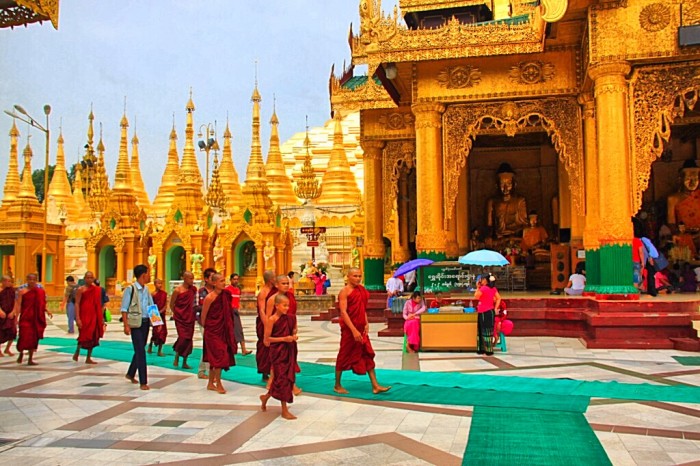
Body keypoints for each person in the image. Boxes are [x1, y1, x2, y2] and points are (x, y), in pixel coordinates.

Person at [334, 267, 391, 395]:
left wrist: (366, 322)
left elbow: (362, 308)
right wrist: (353, 330)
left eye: (360, 276)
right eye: (355, 276)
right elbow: (343, 312)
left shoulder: (361, 290)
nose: (358, 278)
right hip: (350, 330)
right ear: (348, 276)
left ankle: (375, 385)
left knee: (367, 353)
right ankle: (337, 385)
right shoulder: (344, 292)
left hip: (361, 328)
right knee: (344, 354)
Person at [260, 293, 298, 420]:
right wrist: (284, 338)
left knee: (284, 378)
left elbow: (294, 330)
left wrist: (293, 335)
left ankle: (266, 397)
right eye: (284, 305)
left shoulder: (291, 318)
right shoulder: (272, 320)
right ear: (277, 306)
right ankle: (284, 409)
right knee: (282, 379)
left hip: (289, 350)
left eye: (288, 305)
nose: (287, 308)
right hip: (277, 352)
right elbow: (267, 339)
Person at [265, 275, 302, 395]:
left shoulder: (290, 297)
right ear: (277, 285)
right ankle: (285, 383)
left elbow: (293, 314)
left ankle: (282, 381)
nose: (286, 286)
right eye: (283, 283)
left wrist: (294, 329)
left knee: (290, 358)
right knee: (279, 360)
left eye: (287, 283)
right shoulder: (272, 299)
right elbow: (268, 317)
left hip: (289, 331)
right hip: (277, 332)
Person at [121, 264, 155, 390]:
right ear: (143, 275)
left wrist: (157, 323)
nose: (149, 275)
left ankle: (130, 373)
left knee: (140, 348)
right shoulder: (130, 289)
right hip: (135, 323)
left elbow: (151, 306)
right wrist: (126, 325)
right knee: (141, 351)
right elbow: (124, 308)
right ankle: (143, 381)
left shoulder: (146, 290)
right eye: (148, 273)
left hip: (145, 322)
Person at [201, 273, 236, 394]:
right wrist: (208, 329)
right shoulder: (210, 297)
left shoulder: (226, 295)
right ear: (214, 283)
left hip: (223, 330)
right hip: (212, 331)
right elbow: (203, 316)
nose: (224, 283)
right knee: (219, 355)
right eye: (221, 281)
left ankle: (211, 383)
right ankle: (219, 383)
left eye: (224, 280)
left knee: (215, 357)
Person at [487, 162, 528, 240]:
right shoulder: (492, 202)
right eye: (502, 184)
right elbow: (489, 226)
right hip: (499, 239)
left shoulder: (520, 201)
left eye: (509, 184)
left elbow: (524, 224)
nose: (505, 188)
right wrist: (490, 236)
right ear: (497, 185)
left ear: (514, 184)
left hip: (515, 237)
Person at [15, 273, 48, 365]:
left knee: (34, 338)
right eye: (30, 279)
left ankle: (30, 358)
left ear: (36, 280)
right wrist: (16, 318)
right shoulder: (22, 291)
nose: (32, 281)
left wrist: (46, 310)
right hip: (25, 317)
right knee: (23, 336)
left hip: (35, 318)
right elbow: (18, 305)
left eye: (34, 279)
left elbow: (42, 304)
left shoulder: (40, 291)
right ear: (27, 280)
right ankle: (21, 353)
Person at [73, 271, 103, 364]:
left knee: (93, 336)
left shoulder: (97, 289)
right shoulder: (81, 289)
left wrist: (101, 318)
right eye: (88, 277)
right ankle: (77, 351)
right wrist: (77, 318)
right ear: (84, 278)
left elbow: (99, 304)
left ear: (93, 278)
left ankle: (88, 357)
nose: (89, 279)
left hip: (94, 315)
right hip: (84, 315)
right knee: (83, 335)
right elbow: (77, 303)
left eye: (91, 277)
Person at [171, 271, 197, 369]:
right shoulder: (178, 290)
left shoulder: (193, 289)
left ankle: (185, 361)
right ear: (185, 279)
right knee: (182, 337)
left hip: (190, 317)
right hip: (180, 318)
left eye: (193, 278)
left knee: (188, 339)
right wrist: (177, 313)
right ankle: (177, 356)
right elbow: (172, 304)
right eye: (190, 278)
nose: (192, 280)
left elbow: (195, 302)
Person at [194, 268, 217, 379]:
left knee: (213, 345)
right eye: (212, 278)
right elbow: (195, 306)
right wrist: (208, 307)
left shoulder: (217, 291)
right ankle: (202, 370)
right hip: (204, 321)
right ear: (206, 279)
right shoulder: (200, 292)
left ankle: (212, 369)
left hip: (216, 321)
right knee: (207, 343)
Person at [256, 270, 276, 381]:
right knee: (264, 346)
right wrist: (267, 326)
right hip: (265, 323)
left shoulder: (275, 291)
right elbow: (262, 311)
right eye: (274, 277)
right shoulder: (263, 292)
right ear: (269, 280)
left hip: (274, 321)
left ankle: (274, 370)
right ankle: (265, 371)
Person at [474, 274, 501, 356]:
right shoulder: (493, 288)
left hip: (484, 312)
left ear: (485, 280)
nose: (481, 281)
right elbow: (499, 298)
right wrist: (496, 308)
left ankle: (484, 350)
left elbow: (476, 297)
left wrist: (477, 287)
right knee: (488, 331)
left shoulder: (483, 288)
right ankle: (487, 350)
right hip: (490, 311)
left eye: (482, 279)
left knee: (483, 331)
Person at [225, 273, 251, 355]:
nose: (236, 281)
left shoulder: (238, 290)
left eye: (237, 279)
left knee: (239, 330)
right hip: (229, 312)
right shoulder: (227, 289)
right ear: (230, 280)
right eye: (234, 279)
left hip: (235, 311)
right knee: (232, 331)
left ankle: (243, 349)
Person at [148, 278, 168, 356]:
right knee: (156, 332)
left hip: (162, 315)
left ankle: (160, 350)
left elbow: (166, 304)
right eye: (158, 283)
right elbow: (150, 305)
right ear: (155, 284)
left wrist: (161, 311)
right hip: (154, 314)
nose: (160, 285)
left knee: (163, 333)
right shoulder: (152, 294)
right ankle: (150, 345)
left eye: (161, 283)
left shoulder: (164, 294)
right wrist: (154, 315)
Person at [0, 275, 17, 357]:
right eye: (7, 281)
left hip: (10, 313)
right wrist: (0, 311)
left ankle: (7, 349)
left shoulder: (11, 291)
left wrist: (13, 312)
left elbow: (15, 301)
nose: (9, 283)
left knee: (13, 332)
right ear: (2, 282)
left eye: (10, 281)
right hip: (1, 314)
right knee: (1, 332)